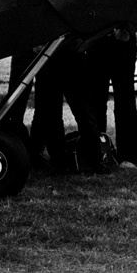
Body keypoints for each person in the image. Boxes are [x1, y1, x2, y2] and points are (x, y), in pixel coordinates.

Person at [29, 37, 105, 174]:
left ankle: (92, 160)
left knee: (81, 112)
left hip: (64, 55)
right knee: (54, 114)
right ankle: (62, 161)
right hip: (58, 56)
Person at [85, 25, 137, 166]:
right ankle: (97, 151)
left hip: (123, 42)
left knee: (125, 100)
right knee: (96, 101)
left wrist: (129, 28)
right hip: (96, 41)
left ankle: (128, 156)